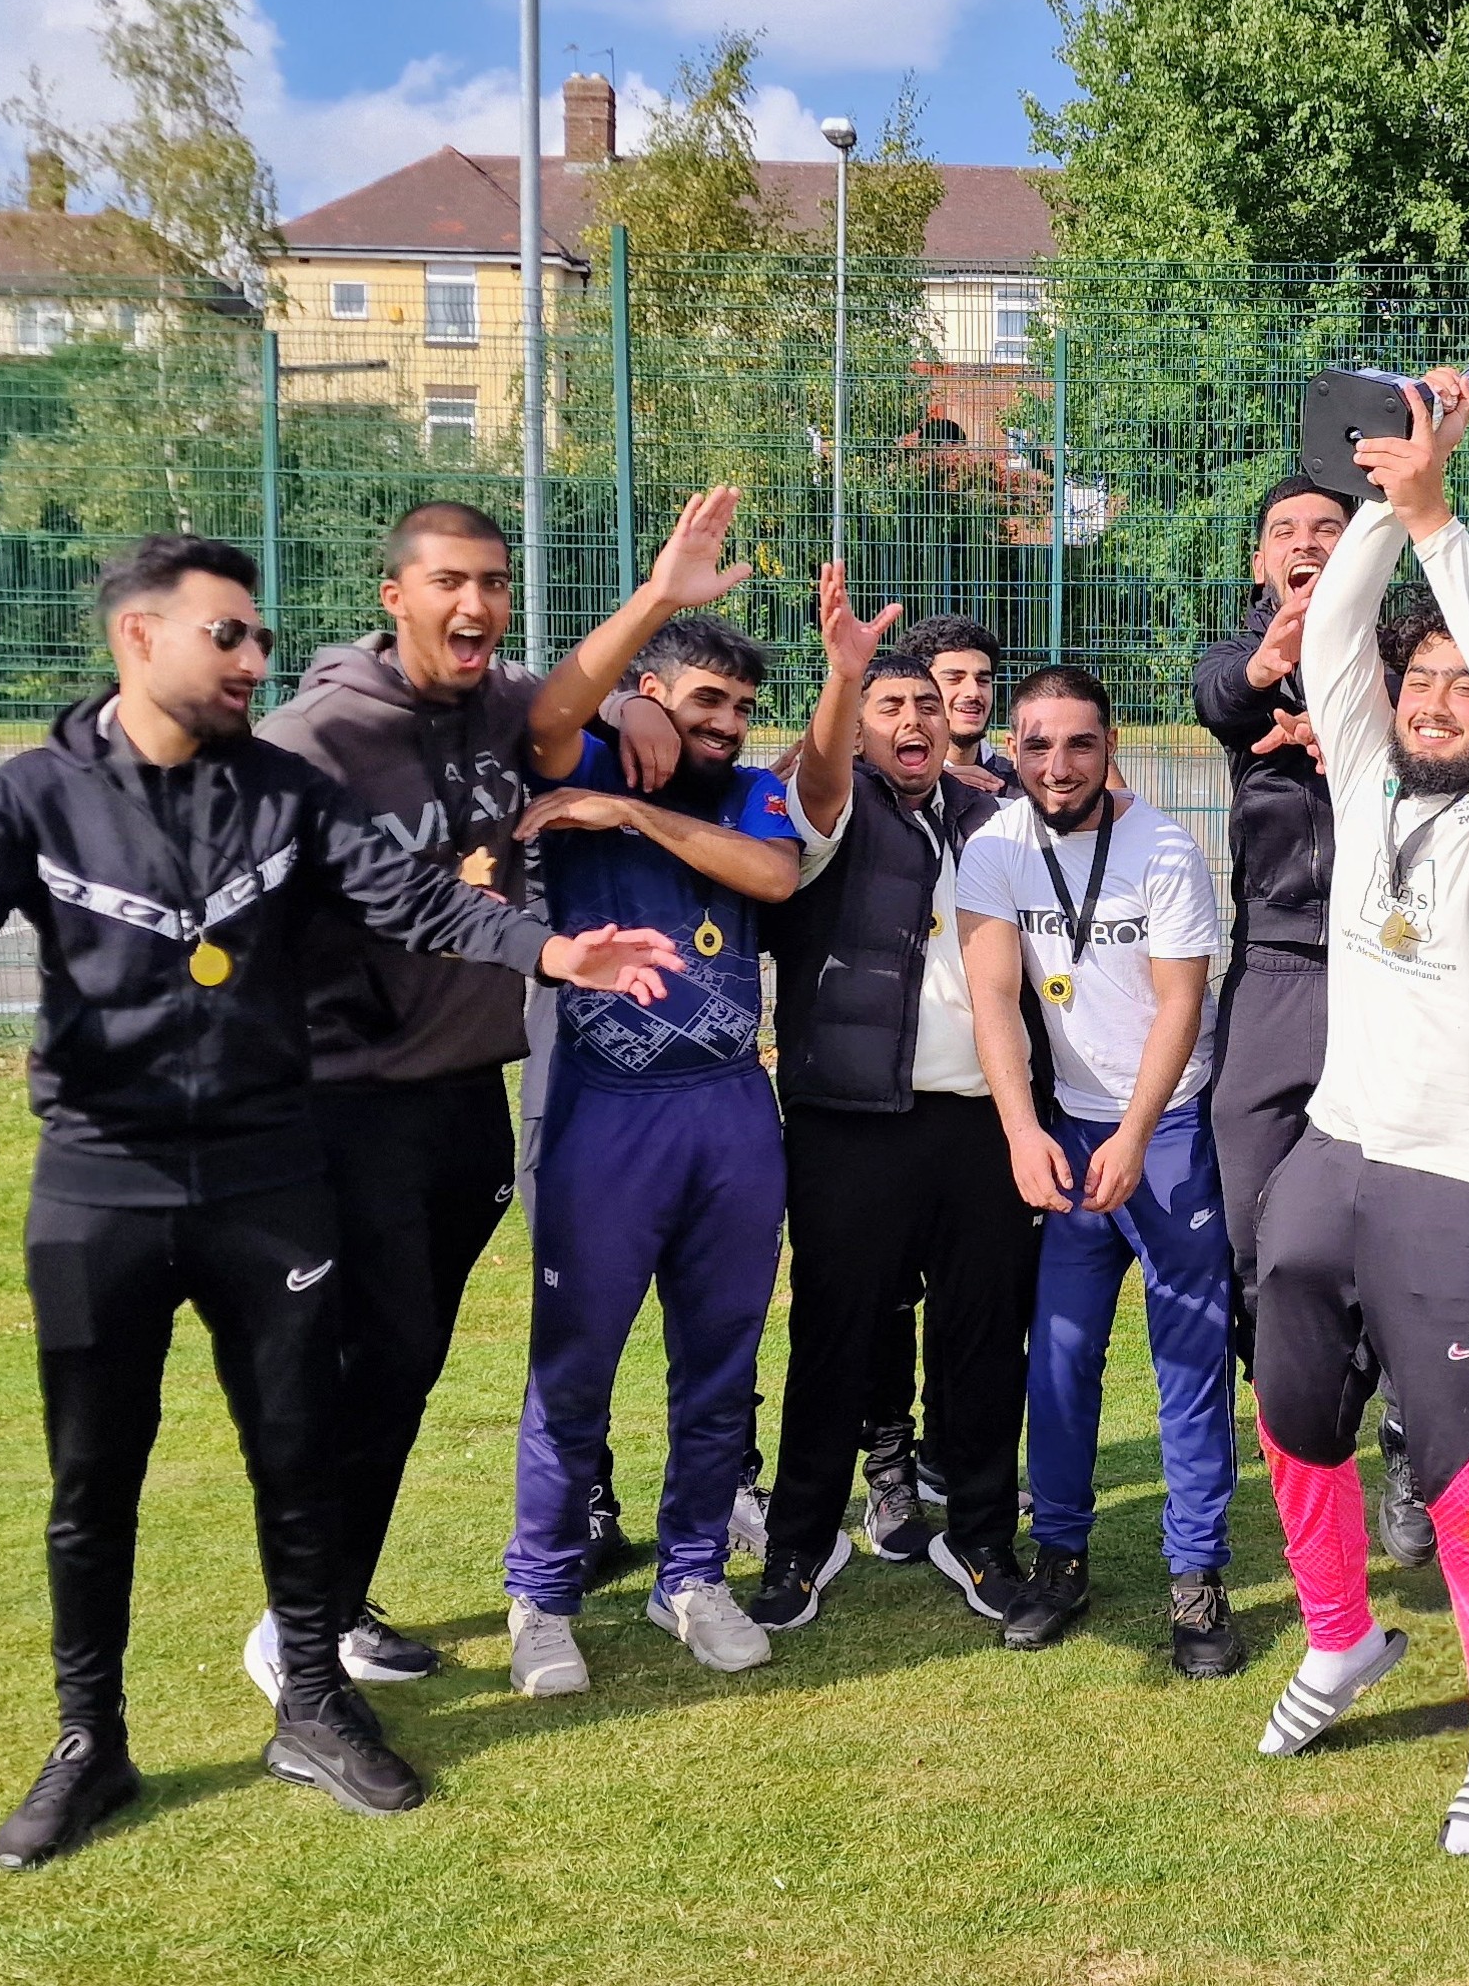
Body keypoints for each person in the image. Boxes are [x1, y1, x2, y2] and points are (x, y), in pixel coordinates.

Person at [0, 533, 677, 1870]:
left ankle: (309, 1698)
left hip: (265, 1169)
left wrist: (550, 947)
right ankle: (87, 1743)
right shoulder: (34, 795)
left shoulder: (287, 791)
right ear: (138, 640)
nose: (250, 658)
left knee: (299, 1449)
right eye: (224, 636)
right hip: (98, 1182)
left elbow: (412, 894)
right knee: (91, 1476)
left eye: (255, 638)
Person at [1246, 374, 1469, 1857]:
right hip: (1331, 1159)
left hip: (1462, 1183)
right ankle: (1337, 1640)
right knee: (1291, 1423)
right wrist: (1386, 516)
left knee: (1463, 1473)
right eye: (1421, 683)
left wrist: (1439, 514)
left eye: (1454, 684)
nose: (1438, 700)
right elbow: (1332, 638)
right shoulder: (1373, 793)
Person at [242, 501, 571, 1700]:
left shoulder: (495, 705)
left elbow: (571, 696)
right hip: (350, 1099)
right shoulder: (315, 734)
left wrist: (637, 683)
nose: (475, 603)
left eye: (491, 580)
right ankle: (295, 1626)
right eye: (448, 581)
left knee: (410, 1359)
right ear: (396, 594)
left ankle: (335, 1597)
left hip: (464, 1093)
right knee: (362, 1362)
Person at [500, 487, 806, 1687]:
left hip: (731, 1105)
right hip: (604, 1113)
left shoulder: (738, 793)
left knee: (719, 1357)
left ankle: (691, 1574)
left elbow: (774, 878)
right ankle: (539, 1595)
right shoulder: (579, 751)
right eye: (703, 699)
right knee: (573, 1358)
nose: (726, 722)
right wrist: (630, 684)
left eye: (740, 705)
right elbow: (547, 714)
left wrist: (632, 809)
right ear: (655, 691)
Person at [750, 567, 1040, 1630]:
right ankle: (799, 1540)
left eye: (927, 704)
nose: (912, 719)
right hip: (849, 1121)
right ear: (860, 724)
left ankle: (980, 1533)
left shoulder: (991, 814)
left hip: (978, 1123)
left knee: (980, 1333)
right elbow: (821, 774)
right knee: (835, 1332)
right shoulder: (826, 801)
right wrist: (842, 676)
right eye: (890, 704)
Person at [957, 664, 1244, 1677]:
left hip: (1165, 1135)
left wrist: (1133, 1131)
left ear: (1109, 742)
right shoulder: (993, 846)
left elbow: (1179, 1004)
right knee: (1060, 1358)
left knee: (1189, 1361)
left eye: (1077, 742)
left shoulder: (1164, 847)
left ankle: (1197, 1574)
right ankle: (1062, 1555)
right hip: (1068, 1137)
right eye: (1036, 743)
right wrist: (1022, 1127)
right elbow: (994, 997)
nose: (1056, 764)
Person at [1192, 475, 1438, 1568]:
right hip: (1276, 978)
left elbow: (1462, 758)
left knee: (1395, 1224)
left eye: (1328, 529)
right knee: (1253, 1236)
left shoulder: (1399, 662)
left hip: (1388, 973)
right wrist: (1270, 663)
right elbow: (1219, 698)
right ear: (1260, 564)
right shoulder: (1250, 658)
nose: (1304, 542)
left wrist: (1371, 743)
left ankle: (1405, 1443)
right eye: (1283, 532)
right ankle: (1302, 1437)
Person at [902, 612, 1017, 792]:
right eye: (954, 679)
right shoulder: (882, 789)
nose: (974, 692)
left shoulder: (1021, 793)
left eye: (983, 680)